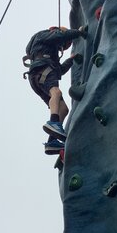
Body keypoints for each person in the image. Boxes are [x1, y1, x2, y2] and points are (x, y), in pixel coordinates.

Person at [23, 26, 87, 155]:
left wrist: (70, 60)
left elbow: (60, 71)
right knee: (56, 92)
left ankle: (52, 142)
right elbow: (59, 36)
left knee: (63, 109)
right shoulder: (43, 35)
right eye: (62, 46)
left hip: (38, 76)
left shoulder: (48, 52)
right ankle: (53, 122)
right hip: (43, 71)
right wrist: (78, 32)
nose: (60, 48)